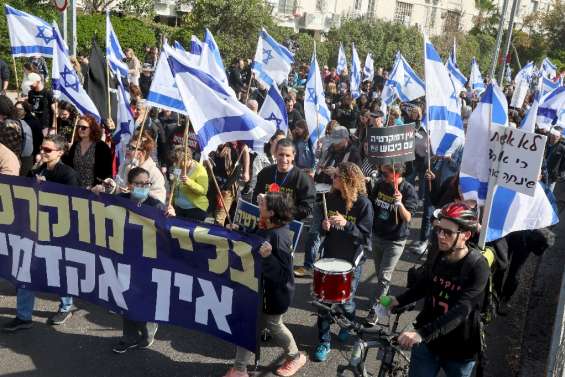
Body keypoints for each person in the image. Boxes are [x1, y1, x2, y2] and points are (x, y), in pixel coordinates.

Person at [390, 202, 489, 377]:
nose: (441, 236)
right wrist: (399, 299)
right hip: (428, 345)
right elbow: (424, 284)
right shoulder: (438, 252)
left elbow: (461, 310)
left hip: (460, 350)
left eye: (448, 232)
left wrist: (421, 334)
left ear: (466, 235)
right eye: (439, 230)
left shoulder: (477, 267)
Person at [223, 192, 307, 377]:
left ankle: (295, 357)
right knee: (249, 326)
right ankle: (240, 368)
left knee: (273, 325)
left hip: (274, 294)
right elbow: (255, 237)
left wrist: (268, 257)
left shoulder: (280, 236)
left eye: (264, 203)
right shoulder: (266, 225)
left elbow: (284, 274)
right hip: (259, 290)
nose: (259, 203)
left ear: (272, 212)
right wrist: (239, 230)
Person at [3, 135, 78, 332]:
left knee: (56, 270)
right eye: (42, 148)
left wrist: (47, 190)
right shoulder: (37, 169)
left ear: (60, 152)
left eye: (48, 150)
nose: (43, 152)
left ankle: (66, 305)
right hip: (32, 229)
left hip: (56, 232)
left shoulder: (68, 174)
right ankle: (23, 316)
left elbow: (73, 205)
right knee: (25, 269)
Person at [313, 162, 374, 362]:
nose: (333, 179)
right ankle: (324, 341)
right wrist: (324, 226)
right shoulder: (330, 199)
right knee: (323, 302)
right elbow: (323, 230)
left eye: (337, 176)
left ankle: (348, 324)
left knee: (346, 302)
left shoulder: (364, 204)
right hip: (329, 258)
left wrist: (347, 224)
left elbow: (365, 239)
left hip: (351, 262)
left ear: (348, 180)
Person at [111, 167, 175, 353]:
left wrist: (172, 217)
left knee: (142, 297)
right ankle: (128, 337)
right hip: (124, 257)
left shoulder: (156, 206)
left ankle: (149, 328)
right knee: (126, 296)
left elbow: (170, 232)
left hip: (147, 261)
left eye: (146, 184)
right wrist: (99, 191)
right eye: (138, 184)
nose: (143, 187)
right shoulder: (120, 201)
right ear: (130, 185)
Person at [366, 163, 418, 325]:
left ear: (397, 173)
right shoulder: (381, 185)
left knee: (384, 277)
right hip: (377, 236)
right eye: (382, 173)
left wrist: (400, 203)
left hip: (395, 240)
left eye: (386, 174)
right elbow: (371, 205)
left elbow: (408, 218)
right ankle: (381, 299)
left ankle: (376, 309)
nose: (383, 177)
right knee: (380, 273)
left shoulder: (408, 190)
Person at [253, 138, 315, 221]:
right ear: (275, 154)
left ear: (293, 155)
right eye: (281, 155)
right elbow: (255, 197)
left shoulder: (303, 179)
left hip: (288, 224)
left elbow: (307, 207)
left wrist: (282, 214)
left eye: (288, 155)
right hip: (265, 221)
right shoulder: (265, 173)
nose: (284, 159)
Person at [102, 130, 166, 203]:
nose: (127, 150)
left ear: (142, 153)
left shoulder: (154, 173)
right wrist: (111, 186)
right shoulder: (124, 166)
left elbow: (159, 199)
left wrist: (136, 191)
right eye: (128, 146)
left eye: (132, 148)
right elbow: (118, 189)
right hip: (122, 209)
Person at [63, 115, 113, 188]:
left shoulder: (102, 147)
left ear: (92, 129)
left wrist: (99, 187)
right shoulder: (75, 145)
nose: (80, 129)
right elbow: (69, 167)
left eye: (83, 128)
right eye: (78, 127)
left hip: (94, 191)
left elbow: (106, 173)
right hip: (74, 188)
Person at [169, 146, 209, 221]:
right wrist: (170, 204)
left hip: (195, 210)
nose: (177, 164)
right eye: (176, 162)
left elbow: (203, 191)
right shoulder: (177, 167)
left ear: (188, 159)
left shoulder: (200, 169)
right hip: (179, 209)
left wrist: (189, 182)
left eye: (179, 162)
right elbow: (174, 188)